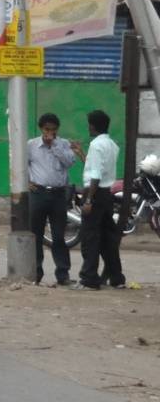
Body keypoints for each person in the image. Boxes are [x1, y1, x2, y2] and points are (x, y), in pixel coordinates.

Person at [25, 111, 80, 286]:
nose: (50, 133)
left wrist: (54, 146)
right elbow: (22, 163)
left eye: (54, 130)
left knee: (58, 236)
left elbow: (70, 163)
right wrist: (27, 181)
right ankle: (36, 272)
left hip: (58, 194)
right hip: (38, 194)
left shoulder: (63, 144)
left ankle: (62, 273)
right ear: (41, 128)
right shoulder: (31, 145)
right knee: (36, 235)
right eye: (47, 129)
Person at [78, 110, 124, 290]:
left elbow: (95, 176)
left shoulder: (96, 145)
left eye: (89, 123)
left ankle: (89, 278)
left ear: (93, 125)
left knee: (90, 237)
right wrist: (82, 155)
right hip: (106, 194)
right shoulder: (112, 145)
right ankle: (117, 277)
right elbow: (98, 169)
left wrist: (88, 200)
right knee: (108, 238)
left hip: (95, 194)